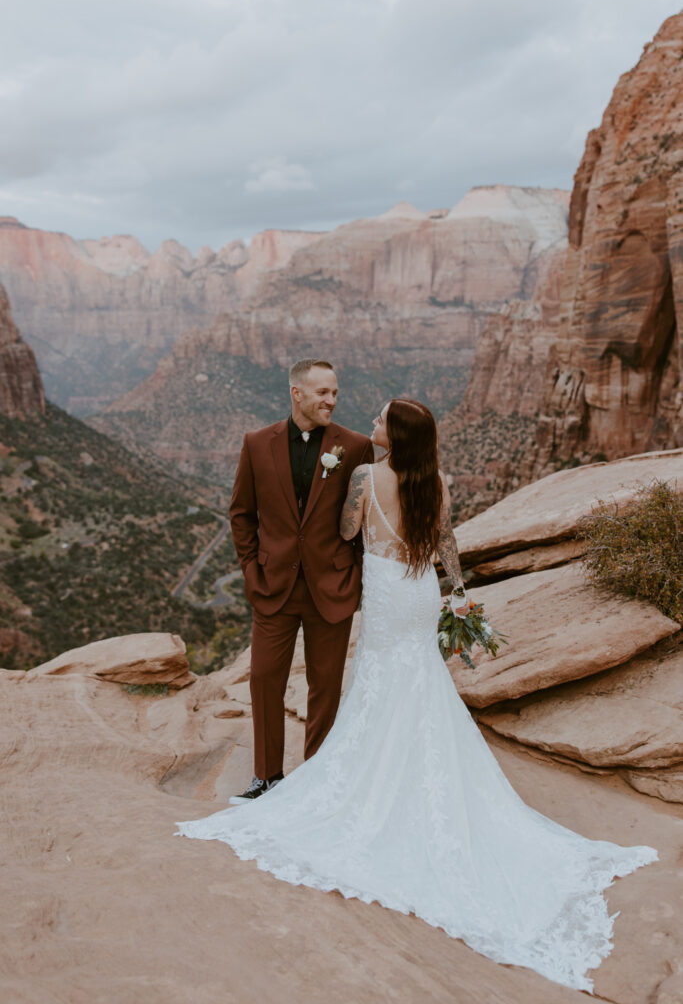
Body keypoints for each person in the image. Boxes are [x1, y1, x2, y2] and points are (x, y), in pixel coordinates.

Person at [176, 397, 657, 992]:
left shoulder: (364, 477)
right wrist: (458, 594)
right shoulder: (435, 482)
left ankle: (379, 778)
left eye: (380, 420)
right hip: (421, 593)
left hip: (384, 594)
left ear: (395, 436)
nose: (372, 423)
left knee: (379, 681)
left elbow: (349, 531)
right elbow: (446, 541)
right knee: (420, 682)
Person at [227, 358, 374, 802]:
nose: (332, 400)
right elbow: (240, 514)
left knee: (325, 686)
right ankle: (266, 776)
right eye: (322, 393)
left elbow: (366, 520)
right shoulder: (256, 444)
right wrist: (252, 572)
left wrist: (357, 577)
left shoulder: (356, 446)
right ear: (297, 394)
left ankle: (318, 777)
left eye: (334, 392)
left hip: (332, 587)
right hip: (273, 588)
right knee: (264, 679)